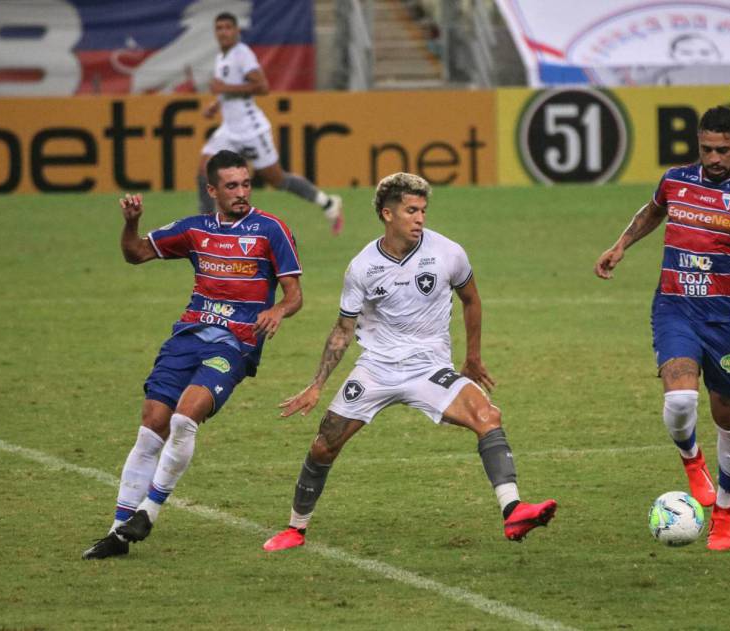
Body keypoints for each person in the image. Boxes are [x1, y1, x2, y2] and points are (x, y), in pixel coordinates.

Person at [261, 172, 557, 551]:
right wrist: (317, 384)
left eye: (423, 210)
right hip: (377, 368)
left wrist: (472, 358)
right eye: (411, 210)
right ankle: (295, 529)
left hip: (429, 368)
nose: (420, 218)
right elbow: (342, 330)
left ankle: (513, 511)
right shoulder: (363, 267)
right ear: (388, 214)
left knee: (488, 416)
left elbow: (471, 299)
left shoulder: (448, 253)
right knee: (324, 445)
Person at [594, 107, 730, 551]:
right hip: (674, 306)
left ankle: (724, 512)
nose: (713, 158)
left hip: (725, 318)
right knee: (679, 401)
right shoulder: (676, 179)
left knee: (729, 417)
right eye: (706, 149)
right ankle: (693, 462)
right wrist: (621, 245)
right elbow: (653, 211)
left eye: (722, 149)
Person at [82, 150, 303, 559]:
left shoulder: (271, 230)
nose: (241, 193)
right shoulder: (195, 230)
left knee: (185, 418)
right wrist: (131, 224)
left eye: (246, 184)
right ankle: (118, 532)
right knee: (151, 427)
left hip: (235, 342)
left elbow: (295, 295)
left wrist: (276, 310)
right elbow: (136, 253)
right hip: (187, 337)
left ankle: (149, 510)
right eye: (232, 186)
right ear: (213, 190)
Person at [198, 12, 344, 234]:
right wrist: (216, 104)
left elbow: (262, 87)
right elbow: (230, 88)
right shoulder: (222, 58)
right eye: (219, 28)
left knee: (277, 179)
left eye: (228, 27)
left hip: (251, 130)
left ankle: (327, 202)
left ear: (237, 31)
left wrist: (224, 89)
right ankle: (207, 227)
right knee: (205, 169)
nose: (224, 32)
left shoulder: (242, 54)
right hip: (230, 129)